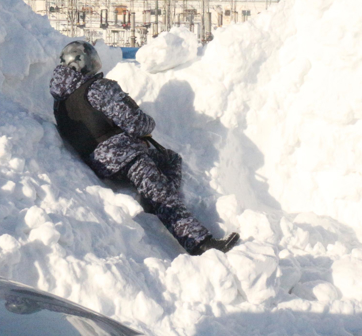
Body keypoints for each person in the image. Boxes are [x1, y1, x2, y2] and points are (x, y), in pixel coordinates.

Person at [50, 41, 239, 256]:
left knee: (169, 159)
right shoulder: (99, 88)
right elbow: (137, 123)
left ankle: (158, 202)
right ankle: (200, 244)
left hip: (98, 164)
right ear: (84, 63)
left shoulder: (59, 103)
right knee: (163, 193)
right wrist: (148, 124)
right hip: (125, 157)